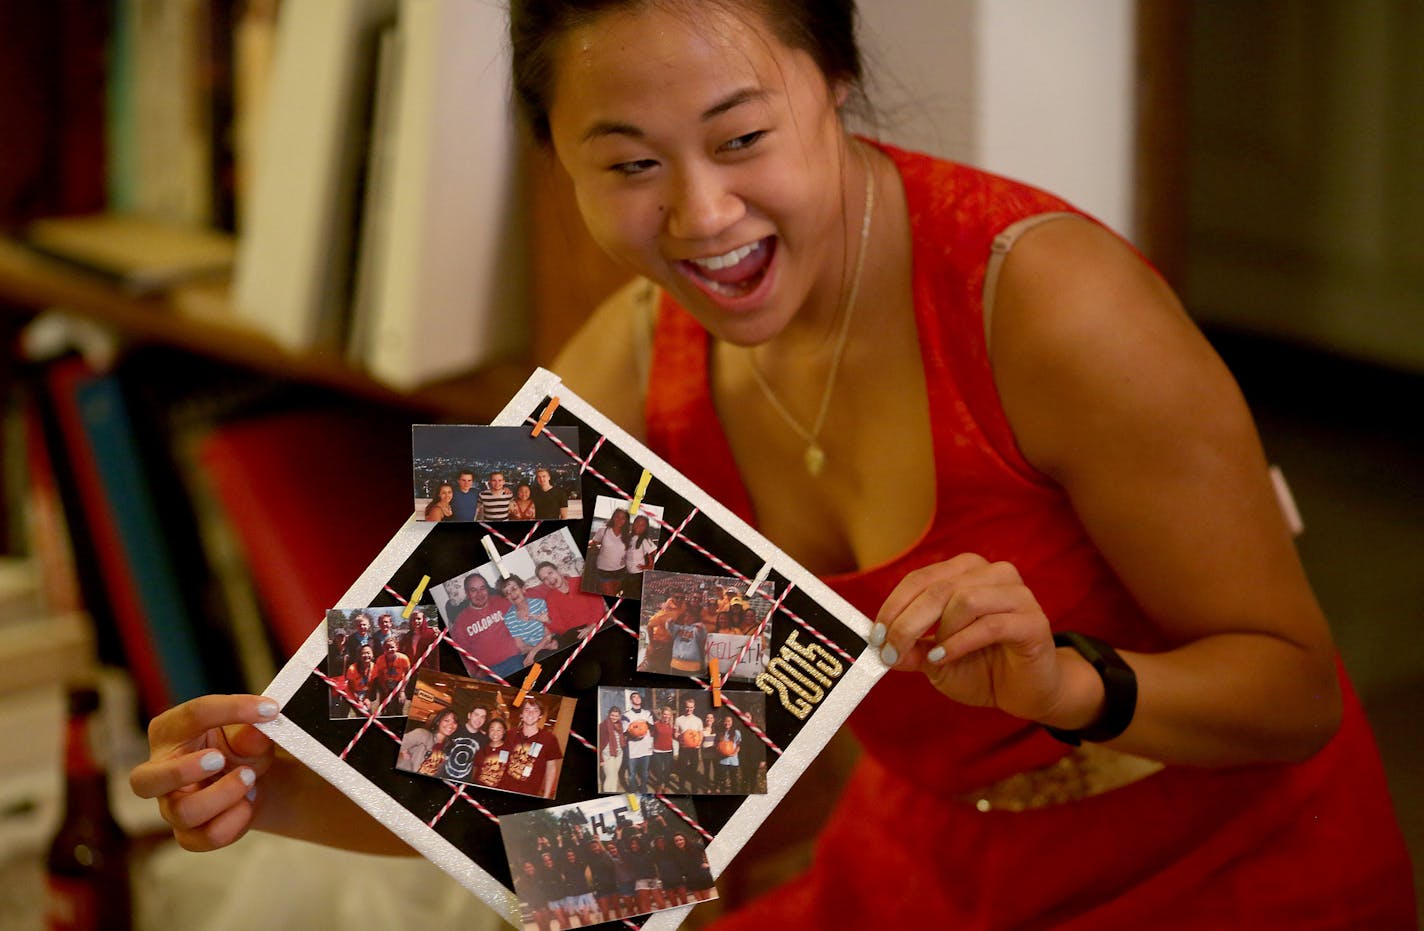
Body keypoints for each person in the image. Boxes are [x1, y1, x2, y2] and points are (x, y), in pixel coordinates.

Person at [130, 2, 1415, 925]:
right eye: (628, 164)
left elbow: (1292, 693)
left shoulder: (1045, 300)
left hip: (1217, 871)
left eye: (741, 139)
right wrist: (274, 784)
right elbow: (528, 790)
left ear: (835, 80)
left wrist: (1065, 684)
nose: (699, 216)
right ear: (563, 167)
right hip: (921, 867)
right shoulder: (618, 366)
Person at [448, 573, 523, 680]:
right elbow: (462, 651)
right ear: (467, 594)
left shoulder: (501, 601)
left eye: (483, 588)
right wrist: (475, 672)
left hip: (513, 660)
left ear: (487, 589)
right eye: (473, 590)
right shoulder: (460, 622)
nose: (479, 594)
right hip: (486, 673)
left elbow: (522, 610)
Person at [500, 695, 564, 799]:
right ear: (521, 714)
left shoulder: (549, 739)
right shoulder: (510, 734)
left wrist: (546, 796)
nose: (530, 713)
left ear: (540, 715)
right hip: (503, 787)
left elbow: (551, 768)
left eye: (535, 710)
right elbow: (501, 758)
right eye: (527, 709)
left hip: (529, 793)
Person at [531, 560, 607, 639]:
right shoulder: (550, 599)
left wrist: (592, 625)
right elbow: (561, 629)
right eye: (544, 579)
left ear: (558, 571)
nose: (550, 579)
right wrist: (548, 621)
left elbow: (597, 605)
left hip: (597, 622)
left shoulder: (580, 581)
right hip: (575, 634)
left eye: (550, 573)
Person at [499, 575, 557, 665]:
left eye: (514, 588)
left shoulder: (539, 603)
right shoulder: (509, 618)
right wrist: (540, 650)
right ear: (507, 598)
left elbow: (548, 635)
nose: (512, 594)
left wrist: (532, 653)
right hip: (537, 650)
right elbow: (521, 647)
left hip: (550, 643)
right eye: (507, 592)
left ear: (523, 589)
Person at [396, 706, 458, 774]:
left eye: (454, 722)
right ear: (438, 722)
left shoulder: (449, 746)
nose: (451, 725)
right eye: (446, 720)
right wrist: (406, 762)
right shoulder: (422, 734)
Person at [586, 507, 631, 595]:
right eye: (617, 516)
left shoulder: (627, 535)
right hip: (604, 570)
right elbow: (594, 542)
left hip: (621, 570)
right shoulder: (603, 531)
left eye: (623, 518)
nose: (619, 520)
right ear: (613, 517)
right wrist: (591, 545)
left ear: (626, 521)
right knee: (609, 594)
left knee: (615, 592)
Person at [440, 705, 489, 783]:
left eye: (482, 717)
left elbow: (478, 765)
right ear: (469, 715)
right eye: (476, 715)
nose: (479, 719)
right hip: (442, 777)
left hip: (463, 784)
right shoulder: (453, 729)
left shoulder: (484, 739)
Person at [621, 691, 655, 794]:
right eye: (634, 697)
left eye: (638, 696)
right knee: (632, 774)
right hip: (633, 749)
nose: (637, 698)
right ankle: (632, 790)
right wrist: (634, 733)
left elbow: (652, 726)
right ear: (631, 700)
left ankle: (643, 788)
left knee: (644, 773)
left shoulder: (647, 713)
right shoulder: (626, 715)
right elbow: (625, 731)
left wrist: (642, 724)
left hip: (645, 747)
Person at [368, 636, 411, 715]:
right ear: (383, 649)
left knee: (399, 704)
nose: (389, 650)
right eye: (386, 648)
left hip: (399, 684)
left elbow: (408, 674)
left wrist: (402, 690)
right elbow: (380, 676)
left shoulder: (404, 659)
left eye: (392, 647)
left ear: (397, 647)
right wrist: (385, 689)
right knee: (386, 708)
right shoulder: (380, 660)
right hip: (385, 684)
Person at [620, 512, 658, 596]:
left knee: (633, 594)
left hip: (637, 576)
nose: (638, 526)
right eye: (637, 523)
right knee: (626, 593)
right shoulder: (630, 537)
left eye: (642, 525)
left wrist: (649, 566)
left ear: (646, 528)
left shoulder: (645, 540)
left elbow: (654, 553)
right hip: (628, 573)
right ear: (633, 524)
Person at [673, 697, 703, 791]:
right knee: (682, 770)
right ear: (684, 707)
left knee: (694, 770)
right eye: (687, 707)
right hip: (683, 748)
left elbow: (700, 734)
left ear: (694, 707)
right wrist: (679, 738)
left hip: (694, 749)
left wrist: (699, 743)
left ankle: (694, 789)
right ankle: (681, 789)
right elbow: (675, 733)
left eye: (691, 707)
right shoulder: (679, 720)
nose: (689, 709)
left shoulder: (698, 720)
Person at [471, 717, 510, 789]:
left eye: (499, 730)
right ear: (488, 731)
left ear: (504, 731)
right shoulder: (482, 748)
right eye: (492, 729)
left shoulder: (509, 750)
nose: (495, 733)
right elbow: (475, 769)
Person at [340, 644, 376, 716]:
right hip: (351, 694)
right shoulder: (352, 669)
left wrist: (367, 698)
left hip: (364, 693)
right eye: (363, 653)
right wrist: (358, 701)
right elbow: (351, 687)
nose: (366, 655)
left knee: (368, 714)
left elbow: (371, 685)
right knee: (346, 715)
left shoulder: (374, 667)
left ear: (372, 654)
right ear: (359, 656)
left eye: (368, 653)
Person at [598, 705, 625, 792]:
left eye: (616, 716)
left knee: (614, 775)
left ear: (619, 716)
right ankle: (608, 792)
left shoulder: (620, 725)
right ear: (609, 714)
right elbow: (599, 743)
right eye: (612, 715)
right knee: (610, 776)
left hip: (619, 754)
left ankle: (613, 791)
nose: (614, 717)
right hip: (607, 755)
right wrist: (600, 759)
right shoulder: (603, 726)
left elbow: (621, 739)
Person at [649, 706, 676, 791]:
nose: (666, 716)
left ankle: (667, 785)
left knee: (668, 770)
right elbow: (651, 735)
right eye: (664, 714)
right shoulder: (656, 724)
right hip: (658, 751)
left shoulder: (672, 726)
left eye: (668, 714)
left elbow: (676, 736)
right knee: (658, 770)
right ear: (662, 714)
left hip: (668, 750)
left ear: (671, 715)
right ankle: (659, 784)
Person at [713, 713, 741, 792]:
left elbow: (739, 745)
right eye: (725, 721)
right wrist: (719, 749)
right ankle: (723, 793)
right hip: (722, 760)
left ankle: (734, 794)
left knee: (734, 779)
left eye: (729, 721)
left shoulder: (736, 732)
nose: (727, 723)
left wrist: (734, 752)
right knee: (722, 779)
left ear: (732, 722)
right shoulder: (720, 733)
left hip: (733, 760)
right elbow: (716, 744)